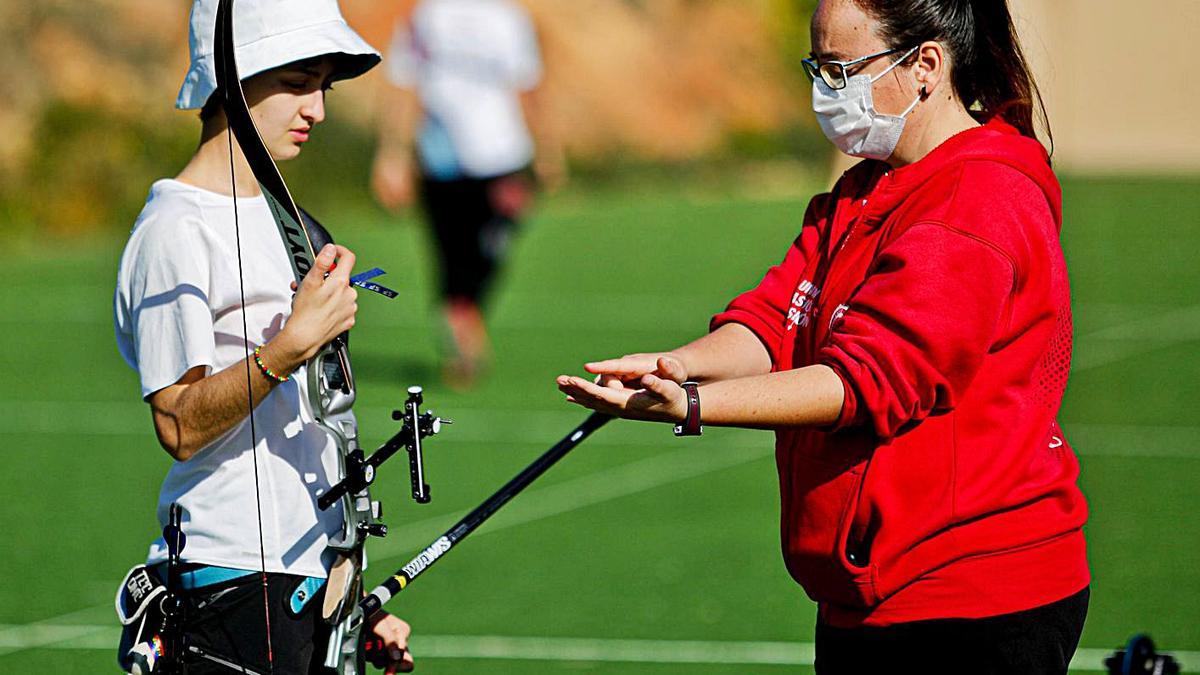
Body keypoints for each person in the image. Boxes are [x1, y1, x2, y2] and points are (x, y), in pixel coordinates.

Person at [556, 1, 1089, 672]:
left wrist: (692, 406)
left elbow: (871, 378)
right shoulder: (863, 189)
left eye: (843, 69)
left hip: (969, 601)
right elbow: (777, 317)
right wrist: (677, 366)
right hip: (870, 596)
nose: (826, 91)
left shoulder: (977, 197)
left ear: (925, 65)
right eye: (818, 68)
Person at [113, 0, 414, 672]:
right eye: (299, 83)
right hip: (229, 584)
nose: (318, 110)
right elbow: (179, 423)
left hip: (307, 581)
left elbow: (309, 431)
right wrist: (290, 346)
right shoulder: (174, 232)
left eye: (323, 87)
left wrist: (357, 602)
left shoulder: (293, 225)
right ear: (233, 79)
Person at [371, 0, 564, 388]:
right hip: (440, 157)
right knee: (449, 253)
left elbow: (527, 86)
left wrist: (547, 148)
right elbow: (403, 83)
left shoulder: (508, 17)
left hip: (502, 155)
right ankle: (461, 328)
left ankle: (465, 309)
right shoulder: (422, 16)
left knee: (493, 250)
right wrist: (392, 153)